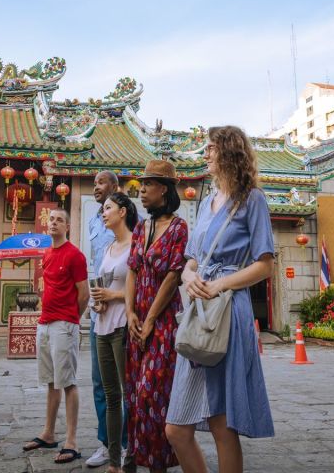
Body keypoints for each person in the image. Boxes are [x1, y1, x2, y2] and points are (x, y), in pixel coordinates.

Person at [165, 125, 275, 473]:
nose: (206, 154)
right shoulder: (207, 201)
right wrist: (188, 276)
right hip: (198, 309)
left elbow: (264, 265)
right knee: (176, 430)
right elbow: (193, 257)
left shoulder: (252, 199)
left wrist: (220, 284)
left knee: (221, 424)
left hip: (229, 310)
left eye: (211, 147)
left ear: (229, 152)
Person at [124, 160, 188, 473]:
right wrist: (130, 313)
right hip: (137, 321)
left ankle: (159, 464)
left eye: (148, 185)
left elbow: (173, 277)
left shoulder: (179, 228)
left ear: (163, 189)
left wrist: (149, 319)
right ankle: (141, 459)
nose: (142, 190)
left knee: (154, 392)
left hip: (163, 321)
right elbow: (132, 272)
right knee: (136, 395)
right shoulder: (140, 227)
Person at [23, 208, 89, 464]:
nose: (54, 223)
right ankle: (48, 433)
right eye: (51, 219)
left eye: (59, 220)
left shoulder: (75, 255)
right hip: (45, 323)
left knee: (69, 382)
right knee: (51, 381)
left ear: (68, 227)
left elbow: (83, 294)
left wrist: (73, 319)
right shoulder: (47, 253)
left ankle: (71, 440)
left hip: (65, 324)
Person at [91, 192, 138, 473]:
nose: (103, 213)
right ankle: (113, 461)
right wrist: (99, 301)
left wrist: (114, 295)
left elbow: (140, 290)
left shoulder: (136, 245)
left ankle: (132, 456)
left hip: (123, 326)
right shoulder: (108, 248)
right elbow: (105, 285)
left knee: (128, 395)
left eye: (108, 208)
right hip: (102, 325)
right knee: (111, 396)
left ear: (122, 212)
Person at [86, 170, 119, 468]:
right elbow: (95, 265)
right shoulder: (93, 221)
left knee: (122, 383)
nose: (95, 188)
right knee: (99, 382)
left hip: (120, 309)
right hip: (98, 310)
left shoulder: (127, 217)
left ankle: (125, 442)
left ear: (114, 187)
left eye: (100, 183)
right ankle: (106, 442)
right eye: (94, 184)